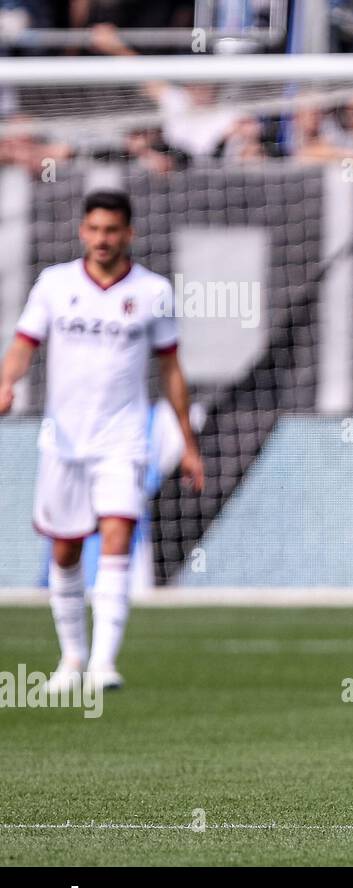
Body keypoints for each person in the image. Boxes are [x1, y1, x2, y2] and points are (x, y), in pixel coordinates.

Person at [0, 190, 205, 693]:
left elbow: (171, 368)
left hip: (124, 438)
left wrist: (187, 439)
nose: (101, 239)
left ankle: (104, 664)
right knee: (65, 548)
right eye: (93, 229)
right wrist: (6, 383)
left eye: (111, 230)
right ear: (82, 232)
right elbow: (24, 346)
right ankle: (73, 657)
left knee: (117, 535)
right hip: (65, 441)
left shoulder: (154, 292)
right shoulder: (55, 284)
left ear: (128, 234)